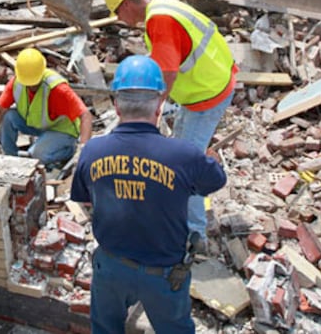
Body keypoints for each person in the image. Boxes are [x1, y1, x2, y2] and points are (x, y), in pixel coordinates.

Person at [70, 55, 227, 334]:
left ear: (117, 106)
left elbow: (84, 199)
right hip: (163, 274)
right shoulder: (184, 155)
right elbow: (214, 181)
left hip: (111, 266)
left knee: (105, 329)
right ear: (158, 105)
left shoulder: (92, 152)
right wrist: (211, 160)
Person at [104, 0, 236, 241]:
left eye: (118, 12)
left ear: (127, 4)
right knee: (182, 149)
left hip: (207, 94)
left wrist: (152, 112)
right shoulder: (163, 6)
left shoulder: (160, 21)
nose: (119, 19)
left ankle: (194, 233)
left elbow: (168, 71)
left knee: (185, 164)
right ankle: (182, 211)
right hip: (208, 84)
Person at [0, 47, 93, 167]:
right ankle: (10, 158)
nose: (31, 86)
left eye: (34, 83)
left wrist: (83, 149)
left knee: (36, 155)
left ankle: (68, 150)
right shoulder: (17, 82)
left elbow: (85, 115)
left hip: (61, 130)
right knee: (9, 117)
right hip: (38, 125)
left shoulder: (57, 88)